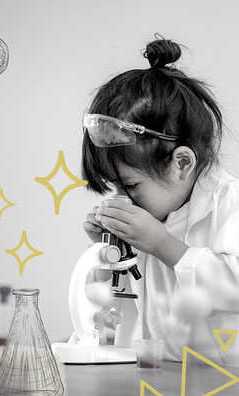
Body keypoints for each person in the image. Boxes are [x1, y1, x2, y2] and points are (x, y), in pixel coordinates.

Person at [81, 36, 239, 366]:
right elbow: (113, 312)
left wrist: (163, 245)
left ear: (181, 163)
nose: (123, 198)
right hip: (155, 375)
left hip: (221, 384)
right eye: (115, 186)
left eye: (130, 185)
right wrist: (111, 254)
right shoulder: (153, 214)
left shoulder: (229, 203)